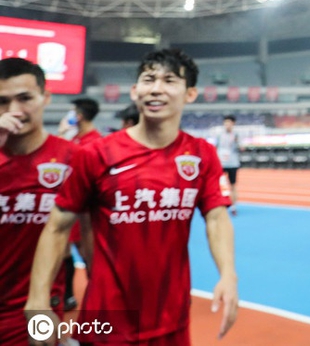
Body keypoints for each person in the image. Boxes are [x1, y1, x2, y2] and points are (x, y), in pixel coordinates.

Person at [27, 48, 238, 345]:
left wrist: (228, 274)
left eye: (169, 81)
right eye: (148, 79)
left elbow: (216, 217)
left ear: (190, 94)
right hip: (106, 319)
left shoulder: (202, 154)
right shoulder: (96, 154)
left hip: (172, 318)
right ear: (135, 90)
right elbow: (57, 227)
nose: (156, 89)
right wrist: (37, 302)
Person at [0, 57, 85, 345]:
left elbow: (88, 240)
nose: (14, 110)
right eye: (2, 101)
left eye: (25, 98)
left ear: (45, 97)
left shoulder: (74, 159)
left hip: (35, 311)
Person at [58, 97, 102, 311]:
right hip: (68, 204)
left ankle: (99, 294)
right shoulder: (74, 139)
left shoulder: (95, 143)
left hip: (86, 210)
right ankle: (67, 296)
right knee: (64, 250)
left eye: (73, 112)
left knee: (87, 251)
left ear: (79, 116)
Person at [215, 115, 241, 216]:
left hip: (233, 163)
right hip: (221, 163)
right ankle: (220, 205)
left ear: (233, 124)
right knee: (219, 185)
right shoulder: (220, 135)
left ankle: (233, 207)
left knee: (232, 185)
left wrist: (237, 142)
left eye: (229, 123)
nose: (227, 125)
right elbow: (215, 147)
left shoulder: (236, 135)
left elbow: (241, 147)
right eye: (225, 123)